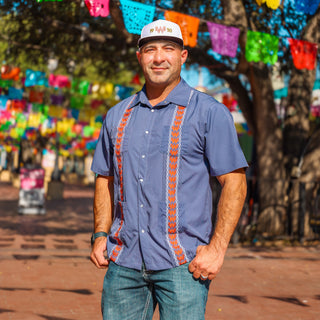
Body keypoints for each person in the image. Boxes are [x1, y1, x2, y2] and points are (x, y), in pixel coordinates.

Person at [90, 19, 248, 320]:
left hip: (183, 265)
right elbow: (104, 178)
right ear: (140, 57)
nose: (158, 57)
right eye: (150, 50)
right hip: (123, 263)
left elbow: (235, 182)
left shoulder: (209, 112)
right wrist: (99, 233)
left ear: (183, 56)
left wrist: (217, 249)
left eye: (168, 49)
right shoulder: (116, 116)